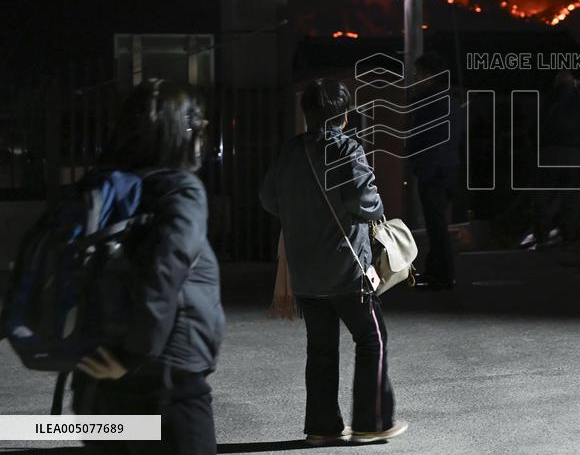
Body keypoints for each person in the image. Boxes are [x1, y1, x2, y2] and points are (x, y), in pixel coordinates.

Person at [72, 78, 224, 455]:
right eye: (196, 122)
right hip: (165, 380)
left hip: (96, 377)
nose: (202, 130)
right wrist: (134, 355)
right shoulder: (179, 189)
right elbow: (166, 268)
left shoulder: (100, 187)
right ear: (177, 132)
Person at [259, 79, 407, 445]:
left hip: (305, 272)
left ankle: (322, 427)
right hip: (346, 268)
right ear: (344, 115)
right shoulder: (346, 149)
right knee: (372, 338)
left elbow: (268, 199)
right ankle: (371, 422)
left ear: (306, 113)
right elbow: (367, 203)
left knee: (321, 349)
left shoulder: (289, 152)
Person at [409, 52, 464, 289]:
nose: (414, 78)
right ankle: (435, 272)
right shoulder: (447, 99)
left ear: (429, 75)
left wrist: (423, 168)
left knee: (437, 226)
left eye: (418, 74)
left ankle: (442, 276)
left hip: (435, 171)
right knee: (436, 225)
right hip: (445, 169)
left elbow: (432, 140)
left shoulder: (434, 102)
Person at [532, 71, 580, 247]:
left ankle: (542, 236)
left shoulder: (548, 102)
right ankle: (569, 237)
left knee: (544, 196)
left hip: (549, 152)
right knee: (571, 198)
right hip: (573, 153)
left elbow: (536, 128)